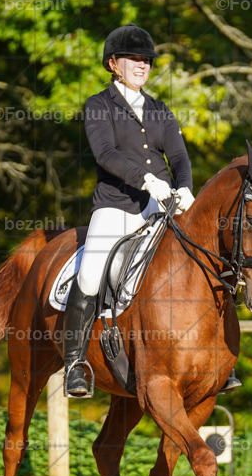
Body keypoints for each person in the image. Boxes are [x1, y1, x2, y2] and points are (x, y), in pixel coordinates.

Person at [63, 23, 241, 397]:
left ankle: (220, 362)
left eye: (146, 60)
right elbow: (106, 154)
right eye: (134, 59)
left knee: (206, 260)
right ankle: (75, 364)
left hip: (162, 207)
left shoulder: (160, 109)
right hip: (116, 206)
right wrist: (147, 180)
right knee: (92, 273)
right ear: (113, 63)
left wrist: (185, 189)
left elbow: (178, 157)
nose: (142, 66)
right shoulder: (98, 105)